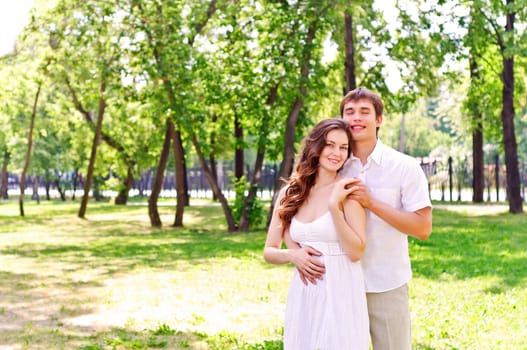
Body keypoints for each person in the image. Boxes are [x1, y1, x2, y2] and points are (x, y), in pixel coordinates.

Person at [339, 87, 433, 350]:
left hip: (386, 282)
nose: (356, 117)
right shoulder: (335, 164)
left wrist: (372, 203)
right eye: (350, 112)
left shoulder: (404, 166)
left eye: (364, 112)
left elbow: (423, 228)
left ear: (378, 120)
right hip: (341, 283)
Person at [264, 118, 369, 350]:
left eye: (343, 147)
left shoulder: (348, 191)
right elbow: (269, 251)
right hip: (305, 289)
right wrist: (293, 255)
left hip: (341, 285)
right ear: (315, 146)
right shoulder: (290, 192)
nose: (337, 153)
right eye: (330, 145)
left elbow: (356, 252)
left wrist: (334, 207)